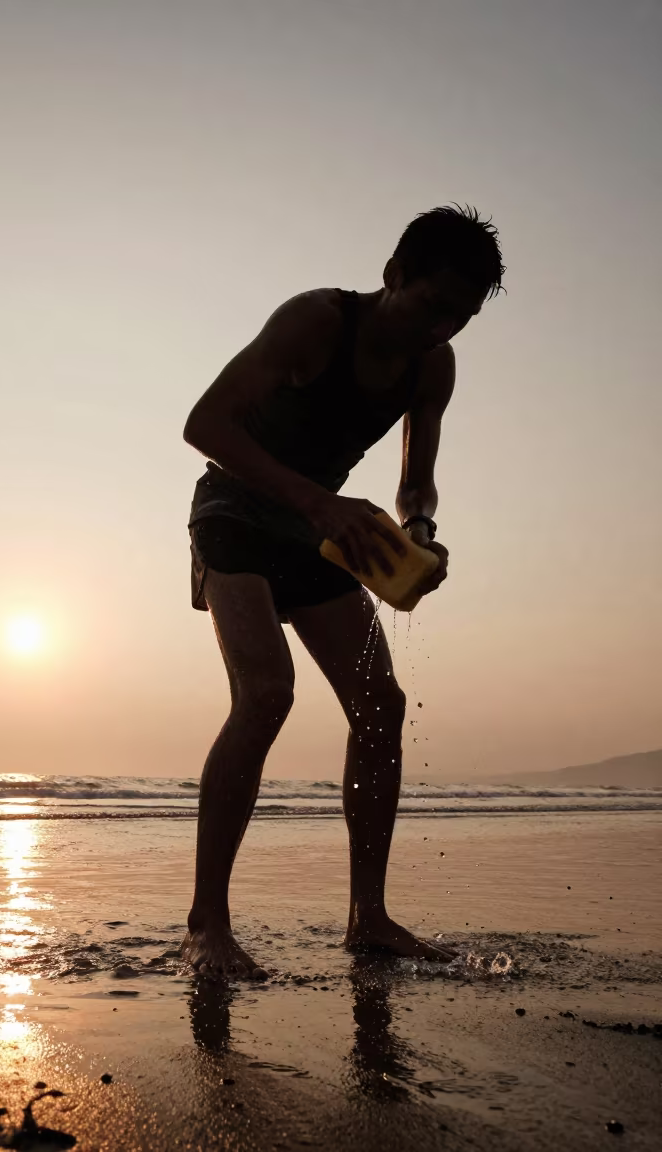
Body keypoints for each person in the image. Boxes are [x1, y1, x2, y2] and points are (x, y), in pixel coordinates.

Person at [182, 205, 505, 977]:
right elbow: (205, 425)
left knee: (380, 705)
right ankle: (207, 924)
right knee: (266, 694)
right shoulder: (315, 322)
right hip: (233, 510)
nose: (441, 329)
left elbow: (416, 483)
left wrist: (418, 531)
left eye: (459, 318)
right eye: (433, 306)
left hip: (322, 529)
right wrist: (317, 501)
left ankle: (369, 917)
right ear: (395, 274)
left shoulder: (434, 366)